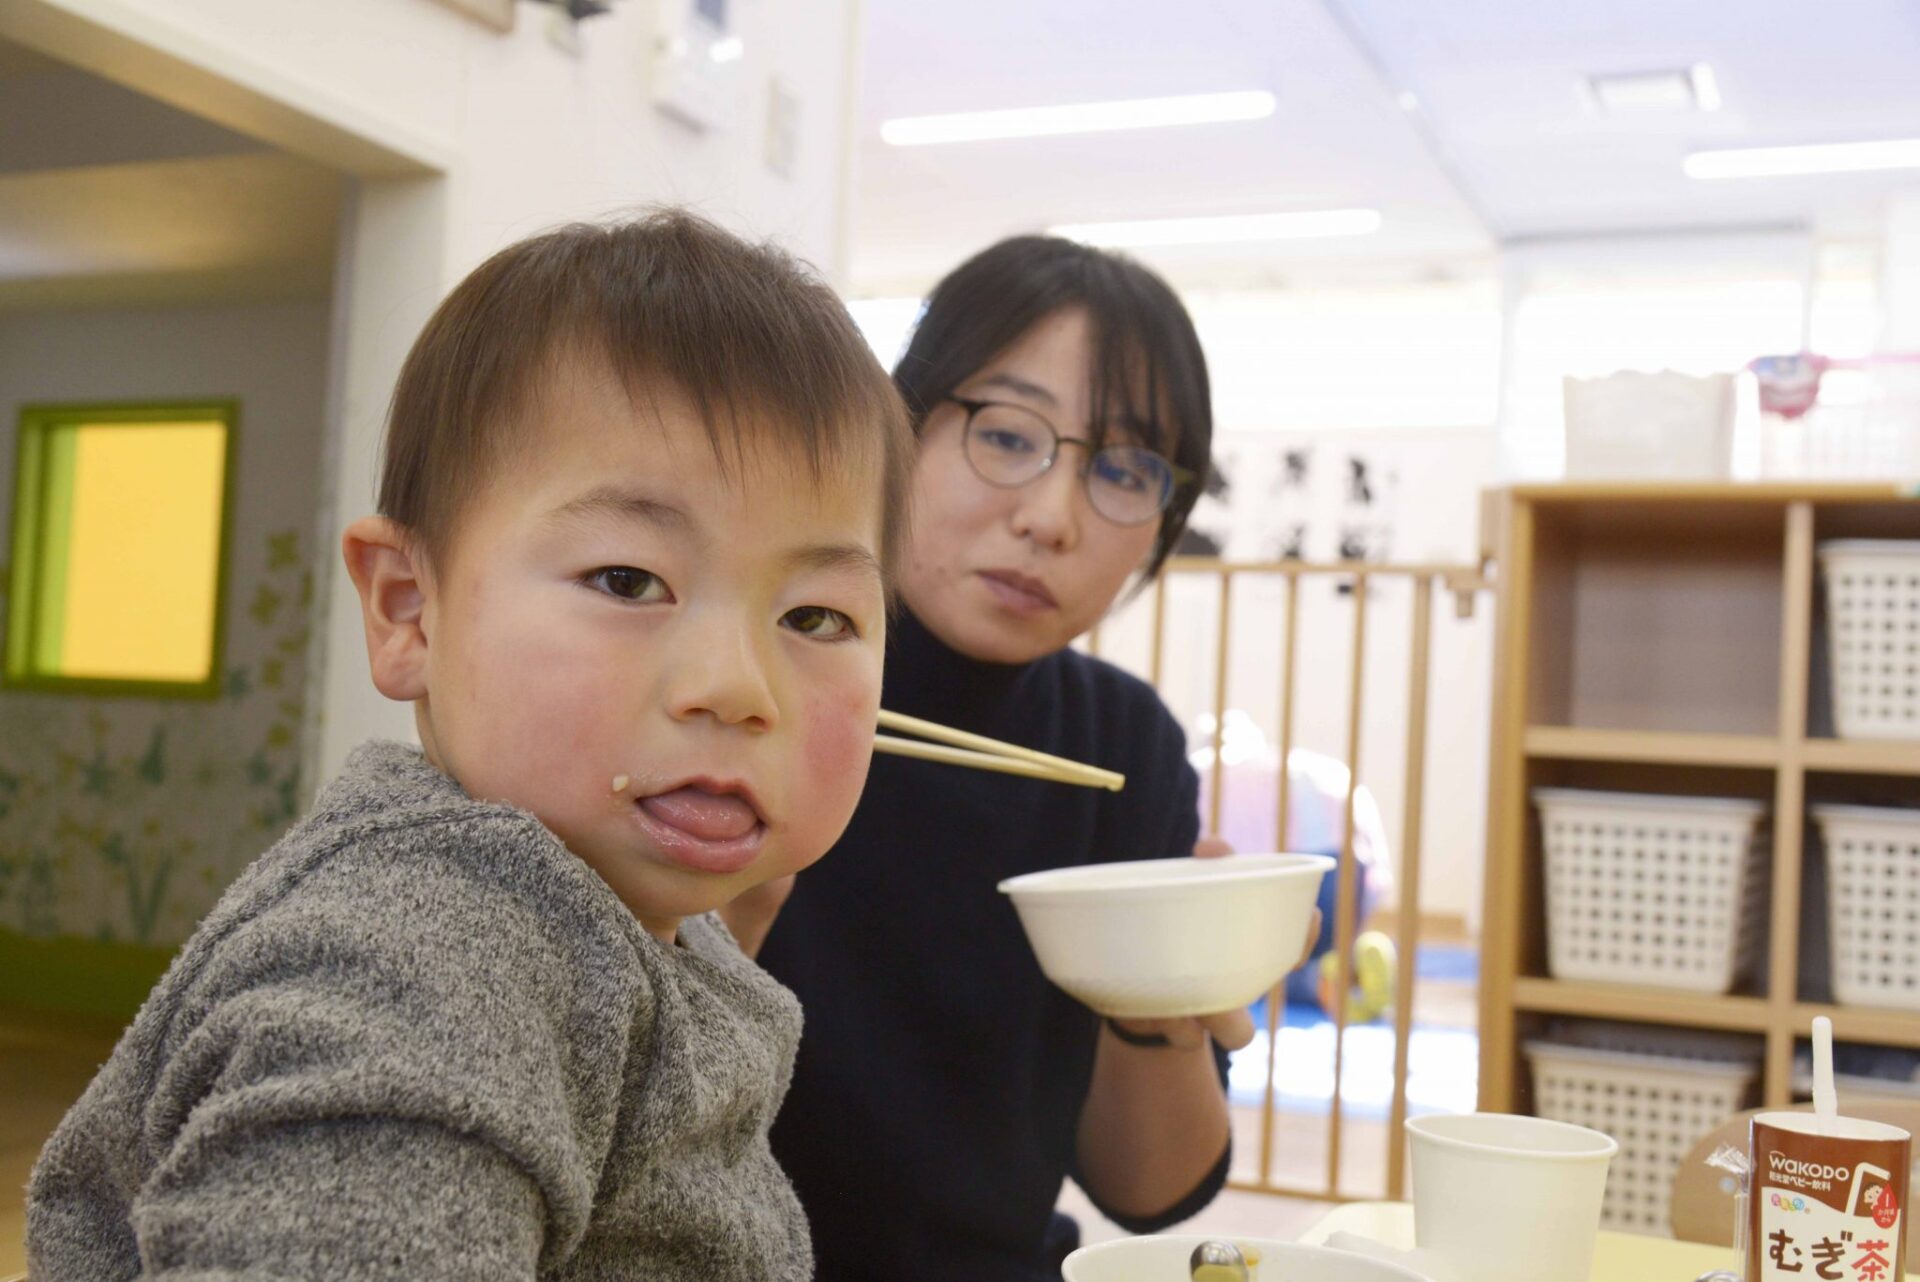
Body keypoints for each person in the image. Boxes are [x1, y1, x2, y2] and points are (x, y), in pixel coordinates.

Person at [26, 211, 914, 1281]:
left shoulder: (626, 926)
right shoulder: (419, 957)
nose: (738, 687)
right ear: (410, 610)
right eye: (628, 581)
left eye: (817, 617)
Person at [729, 235, 1259, 1282]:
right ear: (901, 424)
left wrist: (1171, 995)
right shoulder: (749, 680)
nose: (1051, 518)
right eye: (1008, 435)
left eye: (1122, 469)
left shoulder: (1123, 750)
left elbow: (1152, 1188)